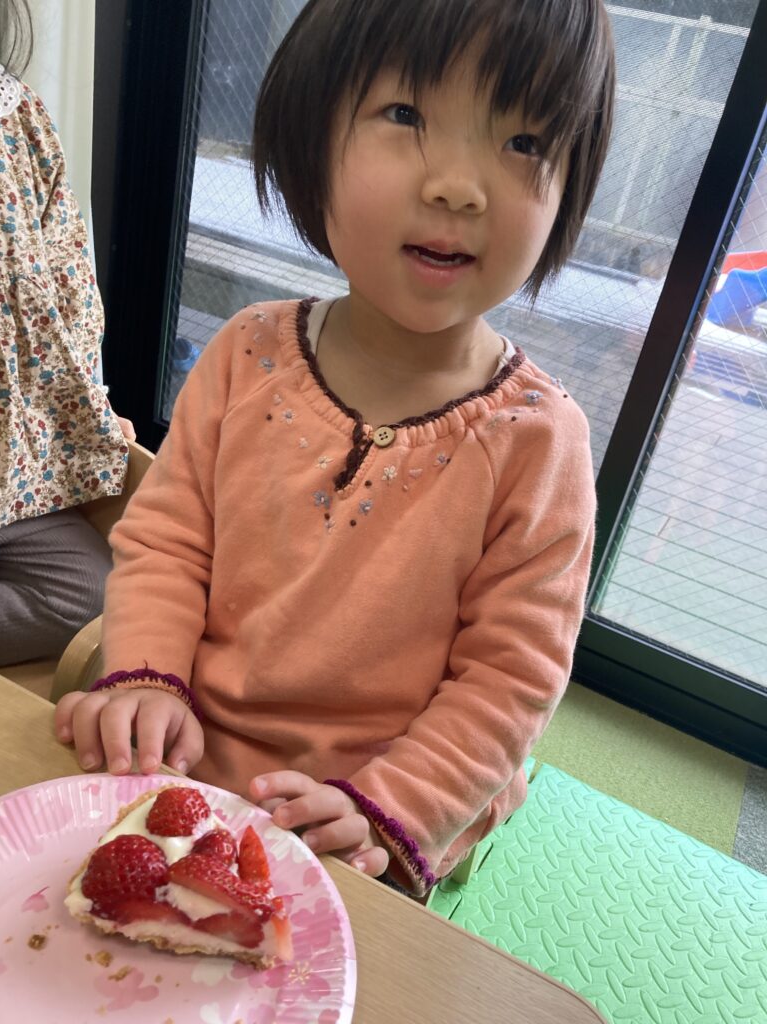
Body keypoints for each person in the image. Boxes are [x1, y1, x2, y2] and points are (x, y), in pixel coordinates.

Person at [55, 0, 616, 895]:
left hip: (372, 816)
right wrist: (147, 678)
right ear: (311, 136)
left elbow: (510, 681)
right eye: (406, 114)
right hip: (188, 744)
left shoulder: (539, 444)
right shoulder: (247, 353)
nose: (459, 187)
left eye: (523, 142)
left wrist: (388, 808)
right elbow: (167, 542)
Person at [0, 0, 134, 664]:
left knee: (90, 594)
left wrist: (90, 404)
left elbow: (70, 284)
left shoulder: (16, 116)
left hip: (12, 467)